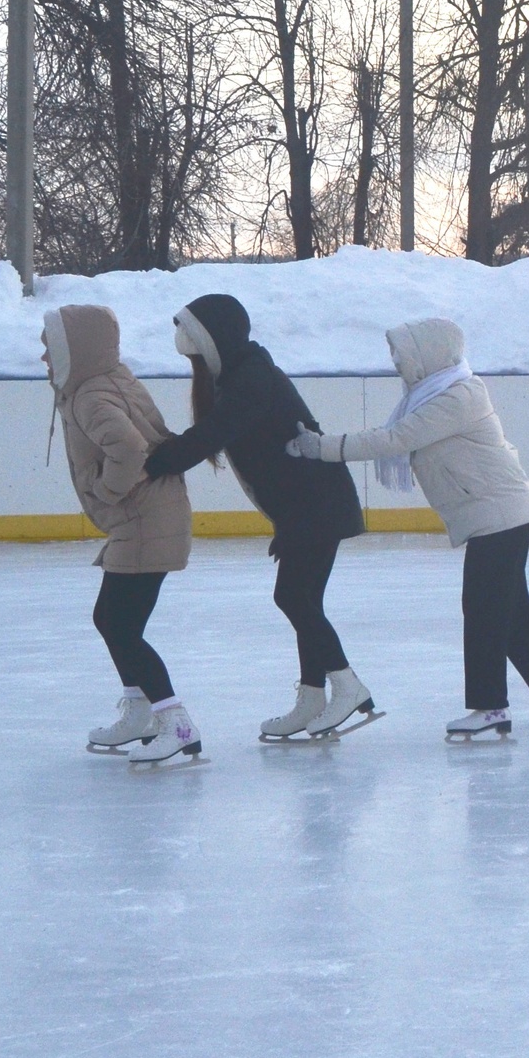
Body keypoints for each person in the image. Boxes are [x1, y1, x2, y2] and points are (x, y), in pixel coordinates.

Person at [289, 318, 529, 741]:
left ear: (425, 356)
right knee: (509, 604)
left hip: (497, 512)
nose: (396, 365)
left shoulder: (456, 398)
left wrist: (323, 448)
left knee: (484, 610)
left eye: (401, 356)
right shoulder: (438, 393)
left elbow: (393, 439)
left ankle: (490, 708)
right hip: (498, 511)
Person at [143, 294, 378, 741]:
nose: (186, 348)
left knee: (293, 597)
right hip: (308, 506)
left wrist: (157, 461)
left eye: (192, 339)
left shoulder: (250, 379)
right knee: (303, 598)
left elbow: (214, 432)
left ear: (214, 339)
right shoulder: (237, 374)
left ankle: (346, 684)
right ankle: (313, 697)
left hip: (317, 504)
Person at [48, 305, 202, 766]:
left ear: (72, 349)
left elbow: (130, 447)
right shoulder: (110, 379)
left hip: (143, 520)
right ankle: (139, 710)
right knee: (113, 620)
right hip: (151, 516)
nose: (43, 356)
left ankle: (174, 722)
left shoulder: (91, 396)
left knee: (118, 625)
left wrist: (108, 490)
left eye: (49, 346)